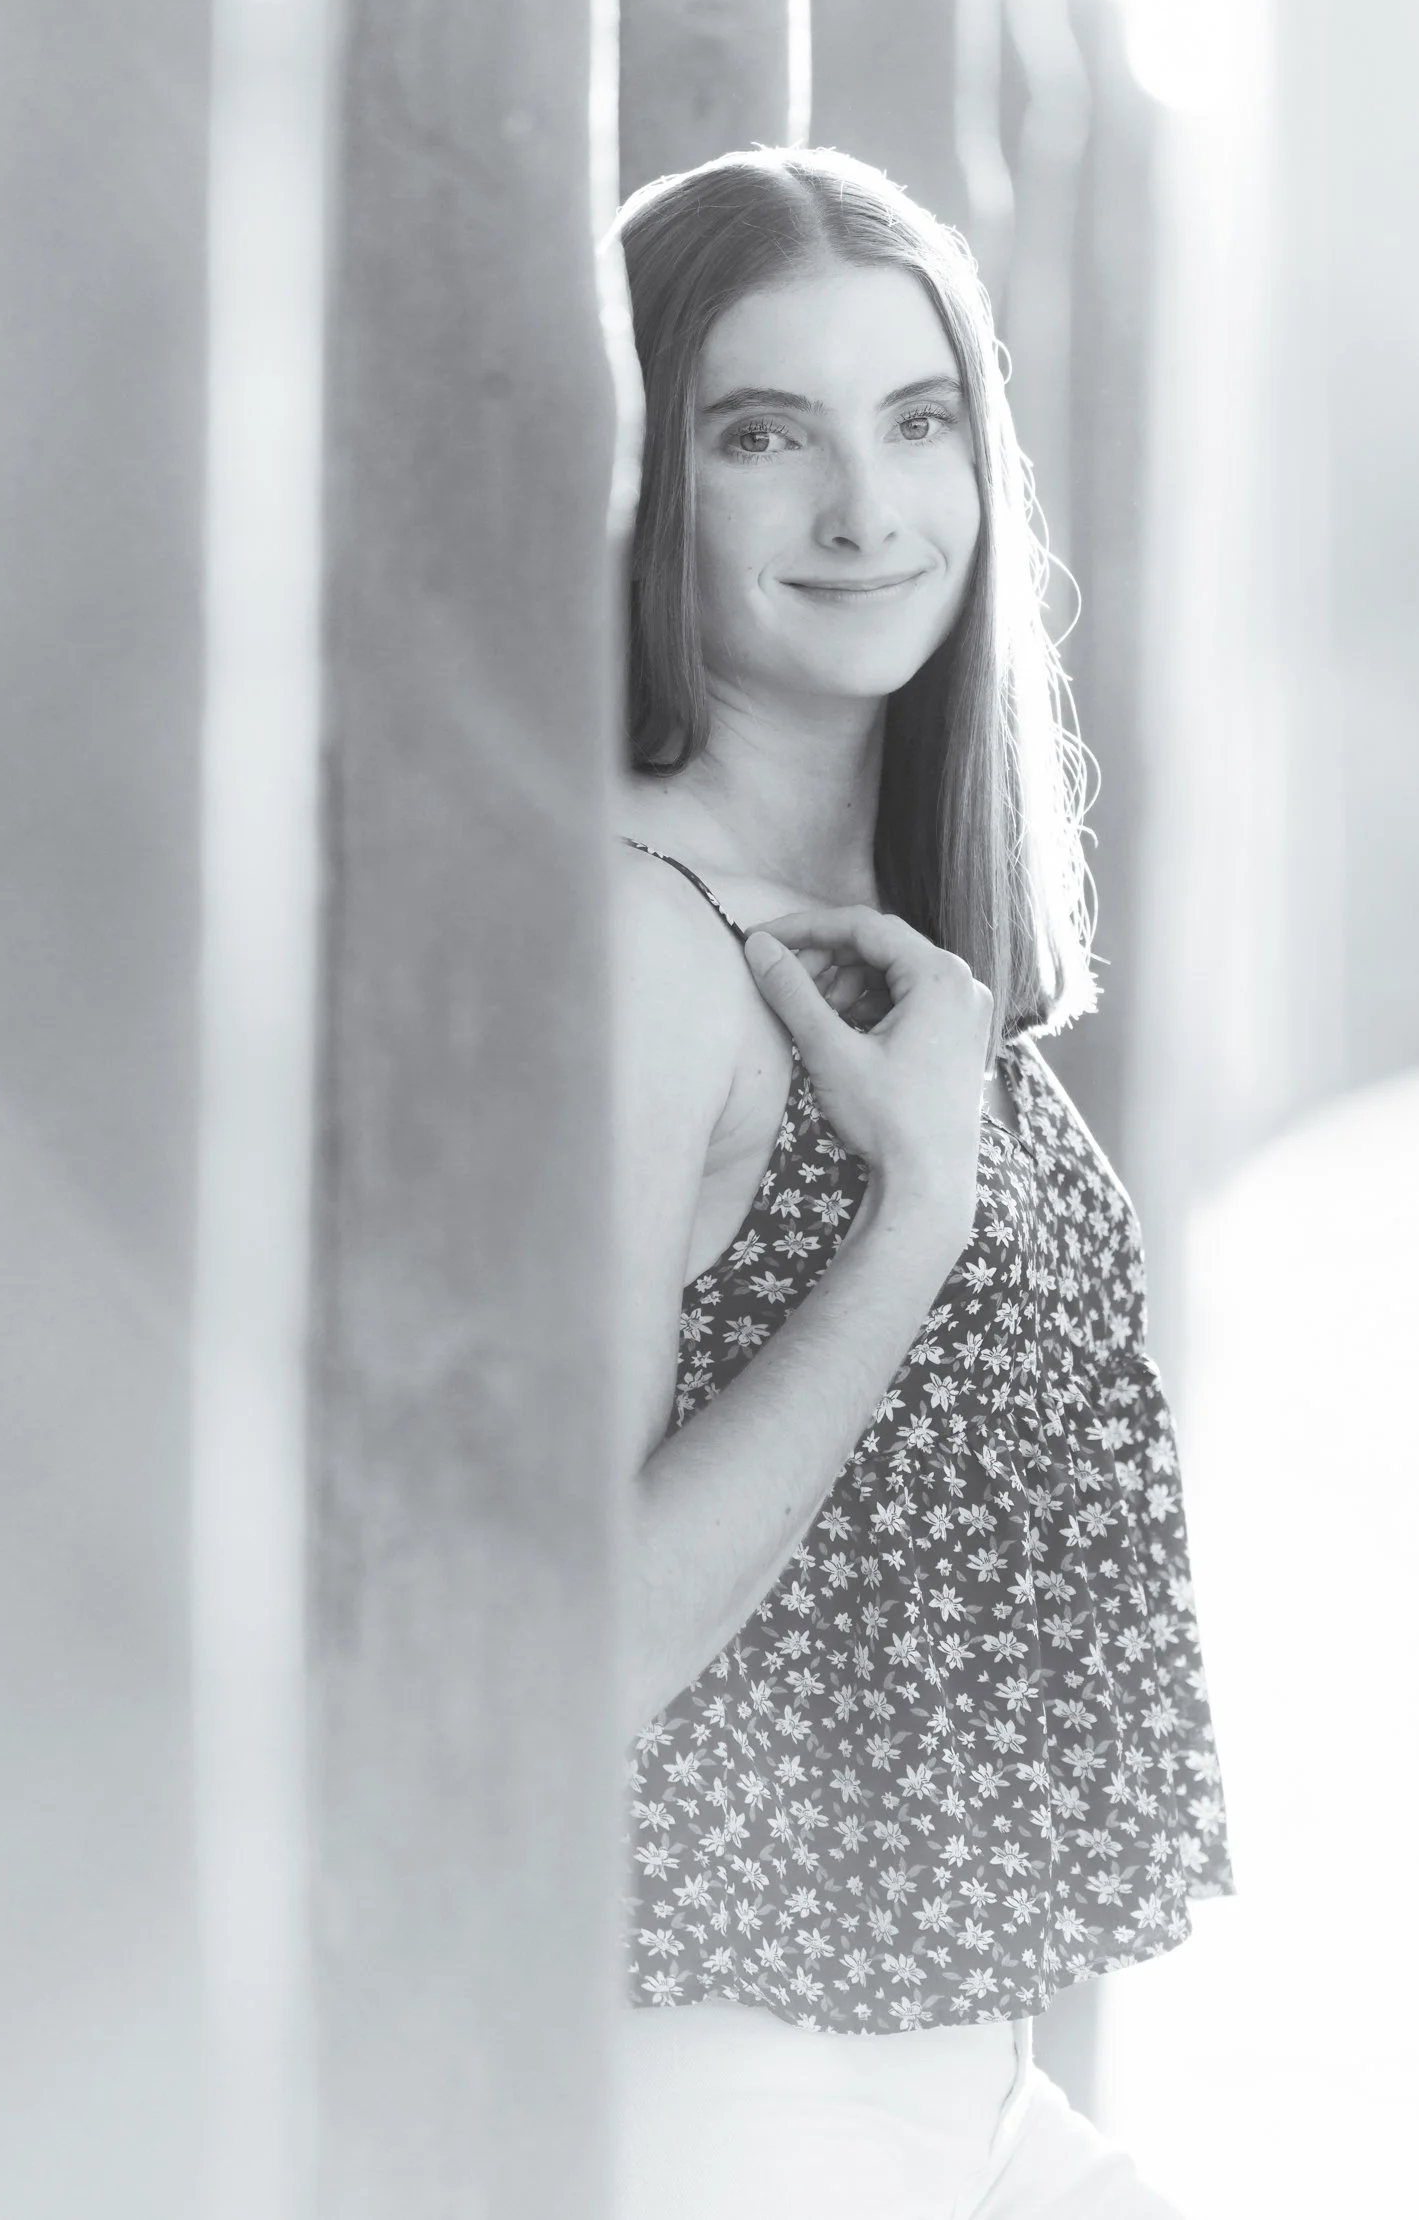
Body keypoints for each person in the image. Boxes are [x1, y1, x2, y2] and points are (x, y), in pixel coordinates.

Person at [608, 147, 1231, 2220]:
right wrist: (910, 1228)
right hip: (722, 2089)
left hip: (960, 2093)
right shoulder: (640, 942)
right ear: (643, 481)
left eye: (917, 418)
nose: (864, 509)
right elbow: (573, 1646)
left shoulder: (896, 951)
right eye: (760, 433)